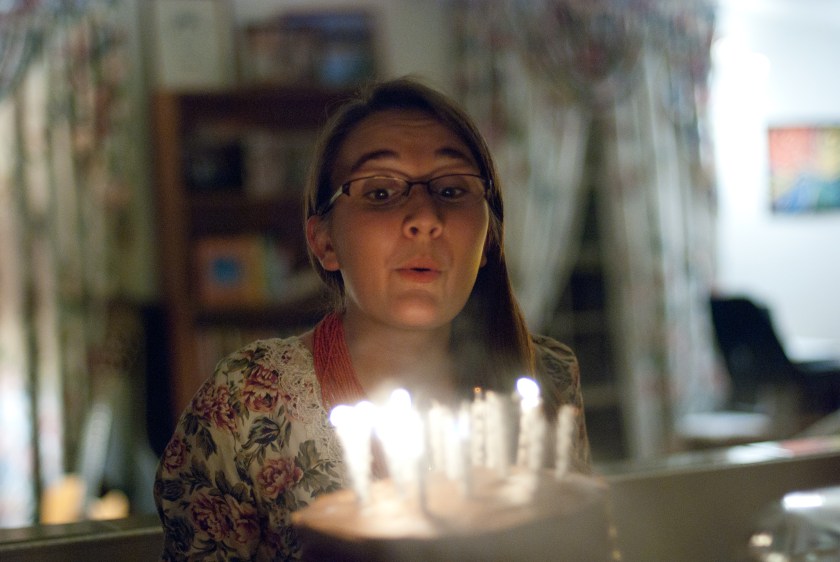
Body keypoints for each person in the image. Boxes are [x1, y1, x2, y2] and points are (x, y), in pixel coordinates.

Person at [153, 77, 592, 561]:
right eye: (381, 192)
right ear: (325, 242)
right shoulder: (247, 404)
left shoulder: (545, 379)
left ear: (489, 238)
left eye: (451, 189)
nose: (425, 218)